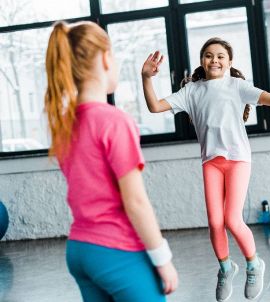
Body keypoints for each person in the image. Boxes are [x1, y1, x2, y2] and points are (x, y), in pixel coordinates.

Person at [141, 37, 270, 301]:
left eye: (220, 56)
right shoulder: (191, 91)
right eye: (208, 55)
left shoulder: (237, 86)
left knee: (231, 219)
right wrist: (147, 78)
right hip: (211, 162)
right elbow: (155, 106)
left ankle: (253, 264)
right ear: (201, 60)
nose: (214, 60)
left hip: (238, 159)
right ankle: (226, 268)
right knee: (215, 222)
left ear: (229, 62)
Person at [44, 21, 178, 301]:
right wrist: (163, 259)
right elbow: (136, 201)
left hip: (80, 251)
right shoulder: (114, 121)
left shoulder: (66, 124)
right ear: (106, 58)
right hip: (115, 249)